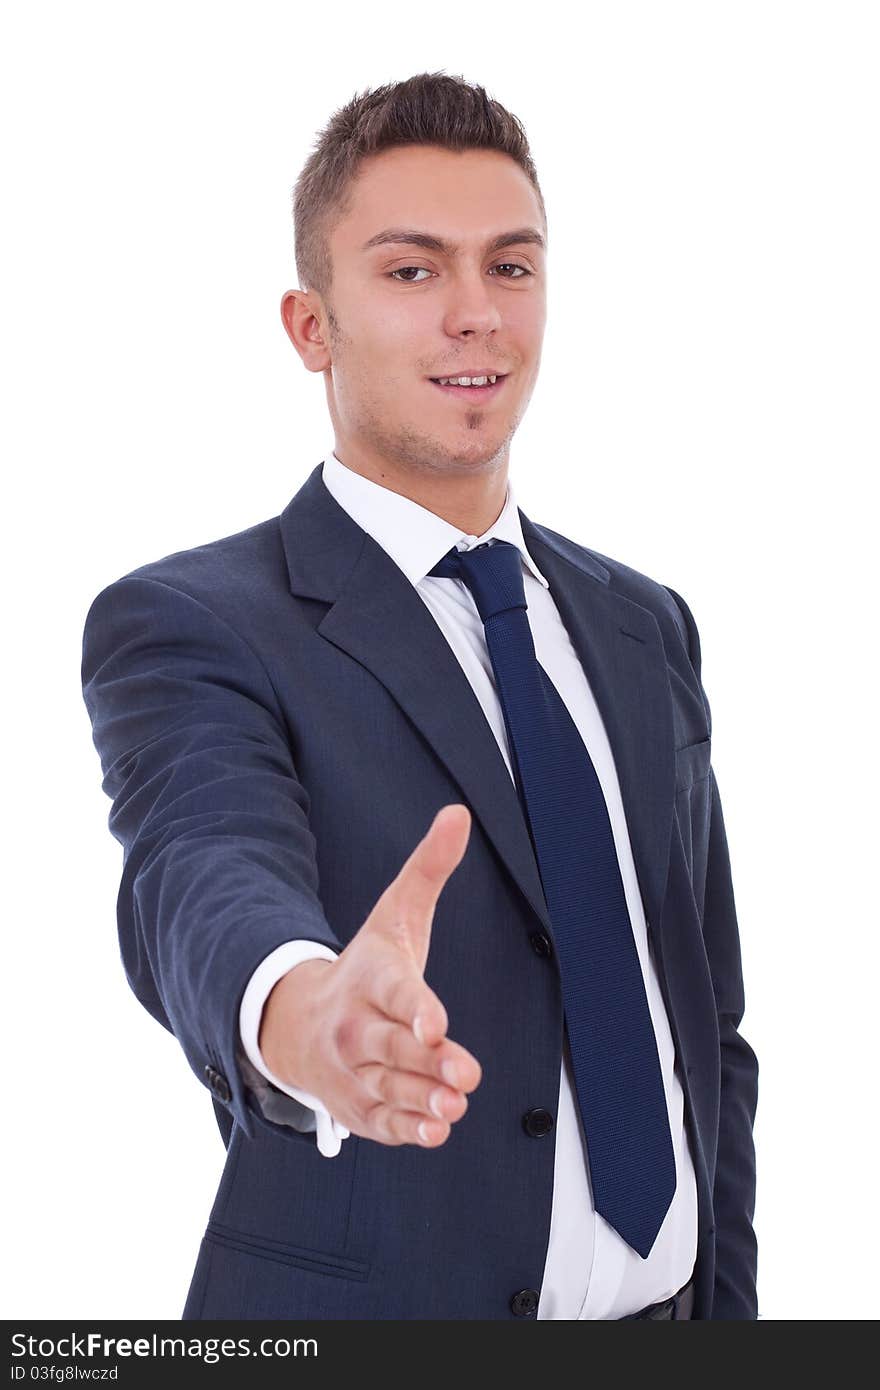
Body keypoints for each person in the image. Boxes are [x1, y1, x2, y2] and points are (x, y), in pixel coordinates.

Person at [81, 72, 758, 1320]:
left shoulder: (642, 624)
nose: (474, 316)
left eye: (510, 266)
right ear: (310, 326)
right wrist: (302, 1011)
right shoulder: (193, 621)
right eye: (410, 272)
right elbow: (200, 862)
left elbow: (701, 1024)